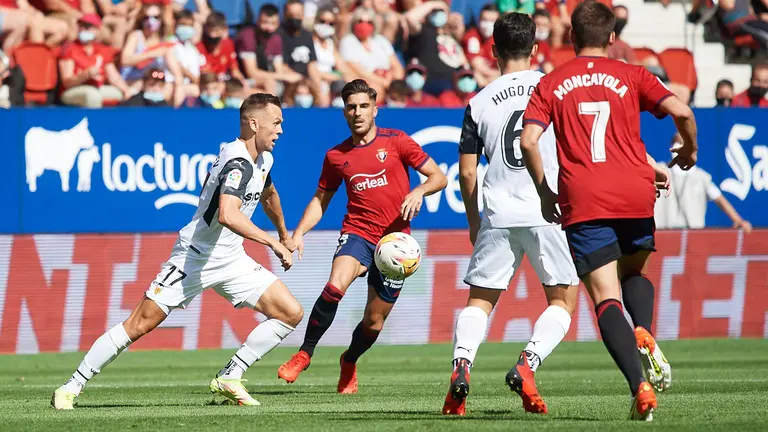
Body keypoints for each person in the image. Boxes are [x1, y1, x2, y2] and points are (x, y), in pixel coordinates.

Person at [52, 93, 303, 410]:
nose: (280, 130)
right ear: (254, 124)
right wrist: (273, 242)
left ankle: (230, 376)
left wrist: (284, 232)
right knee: (139, 324)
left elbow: (269, 193)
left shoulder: (263, 160)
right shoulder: (237, 161)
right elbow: (227, 213)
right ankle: (71, 386)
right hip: (195, 256)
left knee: (289, 312)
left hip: (231, 258)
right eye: (276, 122)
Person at [519, 0, 697, 420]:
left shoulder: (550, 82)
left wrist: (545, 192)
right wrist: (688, 148)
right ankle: (645, 331)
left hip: (585, 199)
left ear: (571, 36)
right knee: (634, 273)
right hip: (636, 193)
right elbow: (683, 111)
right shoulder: (633, 74)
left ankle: (639, 388)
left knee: (604, 298)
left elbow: (528, 141)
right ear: (612, 37)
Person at [442, 12, 580, 417]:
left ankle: (461, 367)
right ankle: (528, 362)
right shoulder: (554, 88)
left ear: (493, 50)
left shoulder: (478, 101)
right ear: (536, 50)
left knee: (479, 302)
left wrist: (472, 220)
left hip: (497, 214)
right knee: (562, 300)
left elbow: (467, 171)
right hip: (547, 210)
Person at [277, 79, 447, 393]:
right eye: (351, 107)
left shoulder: (397, 141)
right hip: (358, 234)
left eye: (363, 106)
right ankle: (305, 353)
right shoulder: (336, 156)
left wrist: (419, 191)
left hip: (395, 245)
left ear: (375, 109)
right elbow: (320, 199)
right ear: (344, 112)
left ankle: (349, 360)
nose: (357, 112)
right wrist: (298, 231)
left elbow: (439, 176)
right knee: (334, 285)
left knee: (373, 322)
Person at [655, 135, 753, 233]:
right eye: (676, 142)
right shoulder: (659, 170)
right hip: (664, 234)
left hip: (692, 235)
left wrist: (738, 220)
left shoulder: (701, 177)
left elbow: (719, 199)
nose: (679, 146)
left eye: (683, 142)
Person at [59, 14, 131, 107]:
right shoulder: (70, 49)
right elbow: (66, 83)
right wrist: (85, 75)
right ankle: (95, 121)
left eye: (89, 27)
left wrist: (126, 91)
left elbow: (114, 77)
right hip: (71, 90)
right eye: (81, 26)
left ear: (97, 30)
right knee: (93, 95)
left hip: (96, 87)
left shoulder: (102, 50)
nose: (84, 29)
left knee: (118, 93)